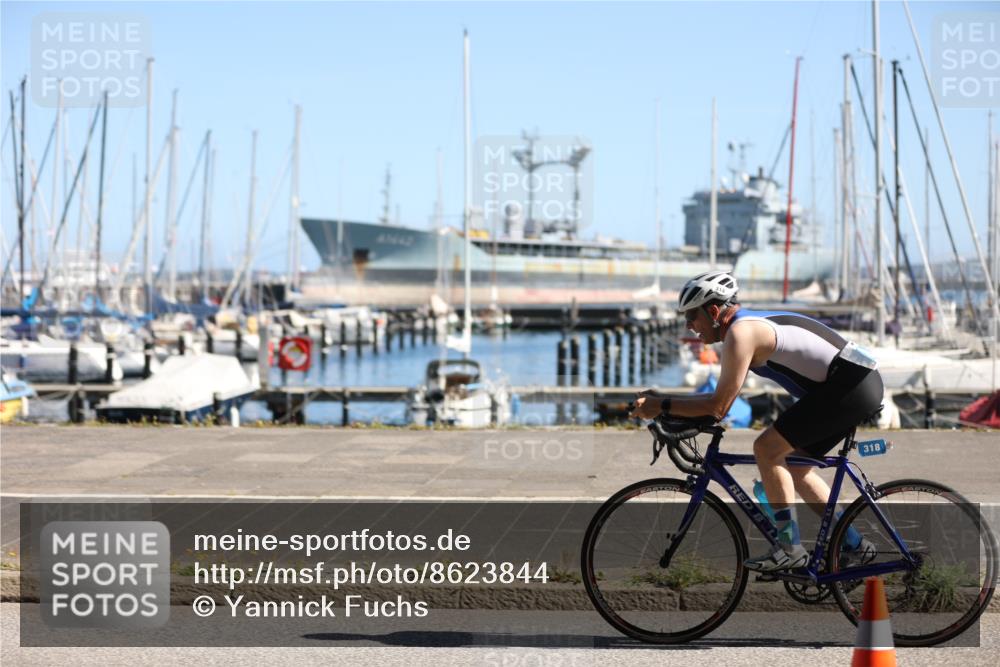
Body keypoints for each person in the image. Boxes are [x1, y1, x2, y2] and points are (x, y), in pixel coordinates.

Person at [630, 270, 881, 572]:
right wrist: (663, 403)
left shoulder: (740, 333)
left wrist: (662, 405)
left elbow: (718, 407)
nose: (689, 326)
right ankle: (855, 545)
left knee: (767, 449)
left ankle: (790, 548)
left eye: (691, 317)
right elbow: (717, 400)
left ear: (712, 311)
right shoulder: (743, 327)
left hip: (850, 385)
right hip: (854, 383)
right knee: (795, 468)